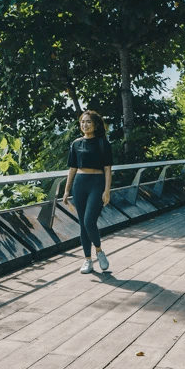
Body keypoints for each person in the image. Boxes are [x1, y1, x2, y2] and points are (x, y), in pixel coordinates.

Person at [62, 110, 114, 274]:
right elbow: (72, 169)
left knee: (89, 221)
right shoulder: (76, 144)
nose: (84, 125)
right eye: (82, 122)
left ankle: (99, 252)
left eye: (88, 122)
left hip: (97, 183)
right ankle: (87, 260)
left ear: (96, 125)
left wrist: (107, 190)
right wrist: (66, 190)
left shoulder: (102, 143)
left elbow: (107, 169)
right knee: (83, 225)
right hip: (79, 183)